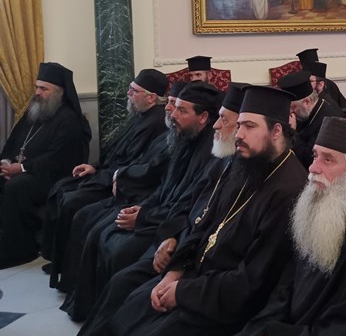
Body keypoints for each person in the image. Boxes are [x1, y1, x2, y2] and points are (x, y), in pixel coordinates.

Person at [64, 85, 307, 336]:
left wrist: (182, 292)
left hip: (225, 304)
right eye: (239, 125)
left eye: (249, 126)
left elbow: (251, 282)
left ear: (276, 131)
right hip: (195, 276)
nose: (239, 134)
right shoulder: (242, 163)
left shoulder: (289, 191)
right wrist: (175, 270)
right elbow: (201, 222)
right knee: (128, 307)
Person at [185, 117, 346, 336]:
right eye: (315, 155)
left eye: (328, 159)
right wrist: (265, 334)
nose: (313, 167)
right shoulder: (323, 205)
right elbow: (287, 285)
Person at [59, 82, 222, 321]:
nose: (172, 114)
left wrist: (145, 217)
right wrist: (144, 208)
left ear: (203, 117)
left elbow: (190, 205)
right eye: (173, 106)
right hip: (159, 213)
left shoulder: (211, 153)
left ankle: (108, 321)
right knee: (101, 231)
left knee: (119, 251)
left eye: (181, 110)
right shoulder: (184, 138)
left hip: (170, 225)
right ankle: (89, 309)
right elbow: (165, 186)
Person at [42, 69, 169, 285]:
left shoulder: (155, 123)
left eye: (134, 90)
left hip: (120, 183)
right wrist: (94, 167)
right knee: (61, 188)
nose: (128, 93)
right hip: (109, 173)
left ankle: (70, 270)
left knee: (73, 201)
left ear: (151, 97)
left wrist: (110, 174)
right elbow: (115, 153)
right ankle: (61, 261)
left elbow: (136, 164)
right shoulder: (139, 116)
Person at [0, 62, 91, 269]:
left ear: (59, 92)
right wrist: (5, 162)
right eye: (36, 87)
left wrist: (21, 168)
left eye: (44, 89)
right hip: (26, 171)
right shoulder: (33, 112)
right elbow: (12, 143)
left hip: (54, 177)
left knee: (17, 186)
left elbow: (58, 158)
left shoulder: (69, 120)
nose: (38, 93)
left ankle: (20, 250)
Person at [278, 70, 343, 168]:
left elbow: (310, 160)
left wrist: (292, 132)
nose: (290, 111)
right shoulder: (305, 111)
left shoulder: (330, 120)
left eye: (293, 107)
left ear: (307, 102)